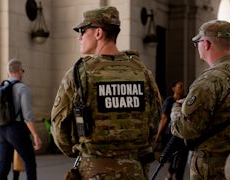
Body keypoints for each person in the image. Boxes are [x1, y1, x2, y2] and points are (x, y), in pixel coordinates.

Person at [50, 6, 162, 179]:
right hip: (134, 170)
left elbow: (59, 126)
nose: (79, 37)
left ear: (98, 33)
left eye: (82, 30)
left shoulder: (79, 73)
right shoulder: (142, 72)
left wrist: (78, 151)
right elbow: (155, 120)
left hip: (94, 169)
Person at [170, 20, 230, 180]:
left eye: (198, 42)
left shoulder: (210, 80)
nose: (198, 47)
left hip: (214, 167)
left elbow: (186, 130)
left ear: (207, 44)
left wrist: (176, 107)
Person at [0, 59, 42, 180]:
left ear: (8, 72)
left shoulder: (0, 88)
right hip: (16, 130)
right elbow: (27, 115)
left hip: (1, 130)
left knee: (3, 166)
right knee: (29, 162)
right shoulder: (22, 88)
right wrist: (35, 135)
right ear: (20, 71)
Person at [155, 81, 188, 180]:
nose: (182, 88)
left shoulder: (185, 100)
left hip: (182, 134)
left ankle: (176, 177)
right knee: (175, 157)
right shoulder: (170, 100)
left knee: (182, 158)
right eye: (180, 86)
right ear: (173, 88)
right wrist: (158, 134)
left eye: (182, 87)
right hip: (171, 134)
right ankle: (169, 174)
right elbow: (164, 118)